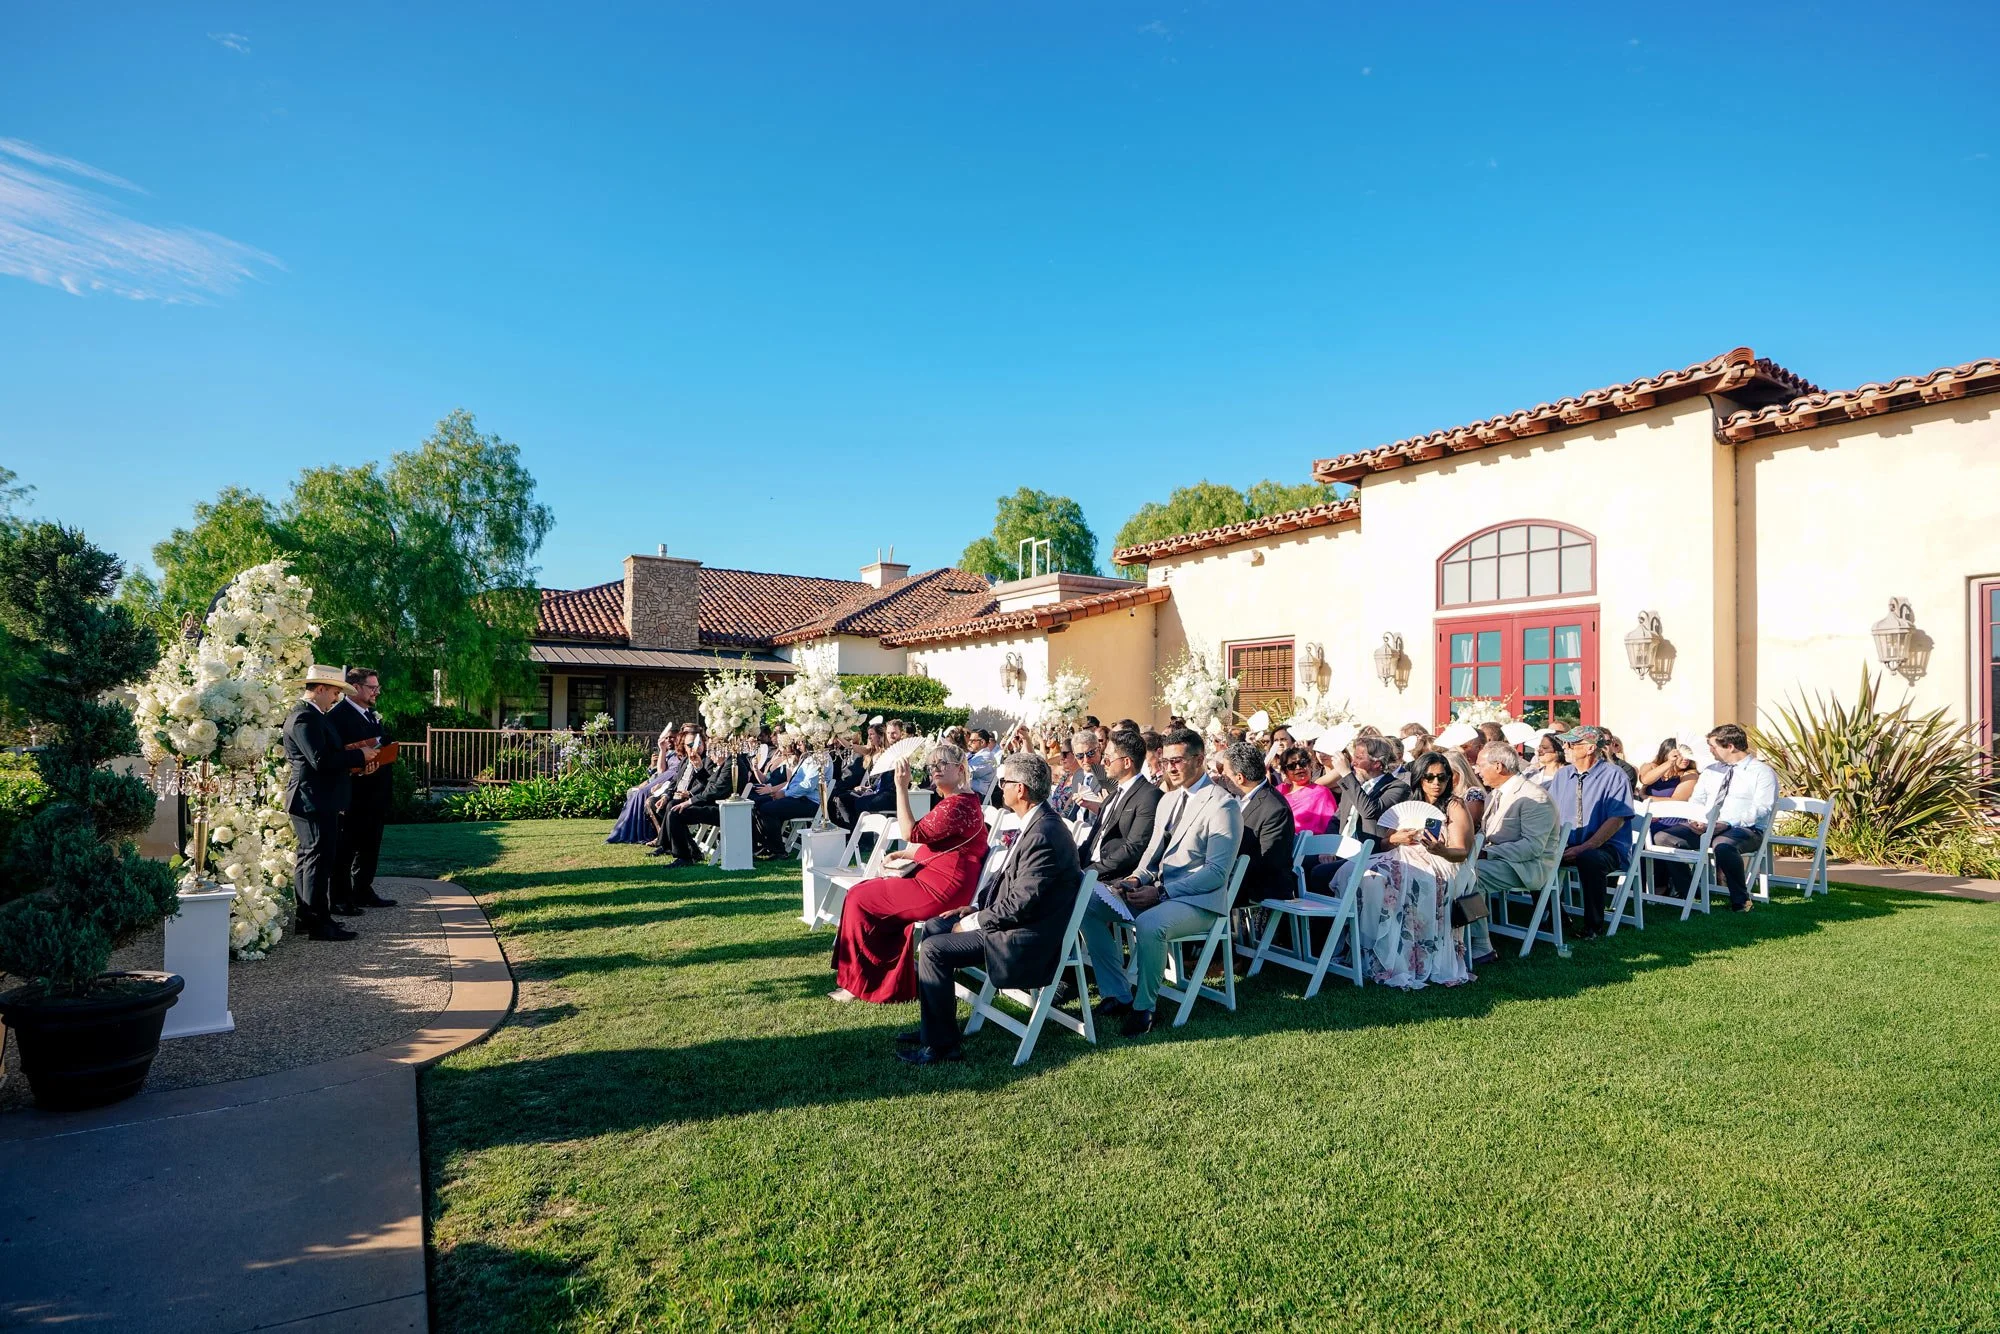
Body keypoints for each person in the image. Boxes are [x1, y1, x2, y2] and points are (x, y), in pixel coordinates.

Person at [898, 752, 1085, 1064]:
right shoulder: (1038, 823)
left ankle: (942, 1046)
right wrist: (972, 908)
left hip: (1027, 936)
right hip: (1015, 922)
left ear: (1021, 789)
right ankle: (935, 1028)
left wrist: (974, 922)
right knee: (934, 926)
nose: (1001, 788)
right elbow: (1008, 885)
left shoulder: (1045, 833)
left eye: (1005, 782)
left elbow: (1022, 903)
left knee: (933, 949)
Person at [1081, 728, 1243, 1037]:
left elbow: (1216, 874)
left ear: (1200, 760)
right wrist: (1133, 879)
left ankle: (1145, 1007)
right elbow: (1151, 857)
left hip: (1200, 901)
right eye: (1166, 760)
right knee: (1087, 905)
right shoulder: (1168, 801)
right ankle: (1117, 993)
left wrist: (1161, 892)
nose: (1170, 767)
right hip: (1160, 893)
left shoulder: (1222, 805)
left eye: (1178, 760)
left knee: (1150, 924)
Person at [828, 742, 990, 1003]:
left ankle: (860, 983)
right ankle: (869, 975)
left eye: (942, 764)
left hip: (940, 889)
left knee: (860, 898)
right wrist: (905, 854)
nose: (935, 770)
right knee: (860, 892)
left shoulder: (957, 806)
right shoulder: (959, 802)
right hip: (935, 879)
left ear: (960, 769)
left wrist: (901, 788)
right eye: (931, 765)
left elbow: (910, 833)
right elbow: (939, 846)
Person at [1354, 748, 1475, 988]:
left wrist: (1440, 850)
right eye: (1429, 777)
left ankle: (1405, 960)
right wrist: (1394, 840)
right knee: (1363, 874)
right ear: (1419, 777)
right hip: (1403, 856)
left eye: (1442, 777)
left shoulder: (1454, 805)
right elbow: (1385, 842)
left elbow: (1462, 852)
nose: (1436, 783)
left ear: (1450, 778)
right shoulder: (1408, 803)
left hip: (1443, 863)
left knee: (1396, 879)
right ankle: (1372, 950)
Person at [282, 664, 376, 942]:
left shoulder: (314, 716)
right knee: (317, 861)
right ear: (320, 689)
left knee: (312, 859)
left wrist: (354, 759)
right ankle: (318, 922)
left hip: (318, 797)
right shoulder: (304, 718)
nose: (336, 698)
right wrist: (359, 756)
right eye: (334, 692)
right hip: (313, 799)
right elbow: (320, 760)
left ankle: (310, 917)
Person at [1651, 724, 1779, 912]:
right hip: (1706, 825)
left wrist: (1727, 823)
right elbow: (1697, 799)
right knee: (1663, 838)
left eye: (1713, 746)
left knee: (1723, 845)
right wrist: (1695, 818)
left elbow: (1762, 807)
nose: (1709, 750)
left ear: (1730, 746)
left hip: (1745, 829)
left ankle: (1741, 901)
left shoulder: (1762, 772)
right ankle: (1690, 892)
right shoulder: (1711, 770)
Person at [1471, 742, 1562, 964]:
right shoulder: (1495, 794)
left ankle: (1481, 946)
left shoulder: (1534, 797)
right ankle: (1453, 937)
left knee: (1471, 876)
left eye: (1481, 764)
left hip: (1529, 866)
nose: (1476, 769)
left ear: (1499, 766)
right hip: (1504, 860)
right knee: (1453, 868)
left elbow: (1532, 847)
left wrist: (1487, 854)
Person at [1545, 726, 1634, 938]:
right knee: (1535, 856)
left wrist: (1584, 847)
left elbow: (1617, 819)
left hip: (1607, 847)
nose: (1564, 747)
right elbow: (1552, 813)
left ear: (1590, 748)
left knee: (1589, 859)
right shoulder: (1563, 774)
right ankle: (1555, 914)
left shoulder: (1614, 775)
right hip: (1568, 842)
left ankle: (1593, 927)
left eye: (1571, 744)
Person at [328, 665, 397, 913]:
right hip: (354, 794)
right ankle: (340, 897)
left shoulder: (370, 714)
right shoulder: (337, 716)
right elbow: (335, 755)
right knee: (346, 847)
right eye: (372, 687)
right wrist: (357, 764)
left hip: (376, 794)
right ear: (355, 688)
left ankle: (363, 890)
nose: (376, 692)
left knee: (370, 845)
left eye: (377, 687)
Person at [1303, 735, 1411, 892]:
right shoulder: (1354, 784)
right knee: (1301, 863)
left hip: (1369, 854)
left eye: (1359, 758)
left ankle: (1328, 916)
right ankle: (1297, 916)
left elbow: (1369, 811)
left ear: (1377, 764)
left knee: (1320, 873)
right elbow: (1337, 819)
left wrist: (1346, 774)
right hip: (1341, 849)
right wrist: (1327, 848)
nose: (1353, 762)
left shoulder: (1397, 787)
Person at [1218, 741, 1295, 909]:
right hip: (1235, 876)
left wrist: (1220, 871)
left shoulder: (1274, 808)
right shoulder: (1236, 797)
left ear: (1239, 778)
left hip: (1257, 885)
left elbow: (1269, 862)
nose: (1222, 779)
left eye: (1225, 775)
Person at [1078, 729, 1161, 883]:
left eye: (1108, 759)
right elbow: (1092, 840)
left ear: (1127, 762)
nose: (1103, 763)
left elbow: (1133, 848)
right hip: (1089, 871)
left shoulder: (1149, 795)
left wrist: (1087, 873)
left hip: (1113, 879)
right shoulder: (1112, 796)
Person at [658, 741, 754, 868]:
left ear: (720, 752)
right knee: (674, 806)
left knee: (676, 813)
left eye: (712, 753)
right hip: (715, 805)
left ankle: (684, 857)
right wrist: (699, 768)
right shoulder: (726, 763)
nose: (711, 758)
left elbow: (715, 791)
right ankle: (693, 851)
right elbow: (709, 784)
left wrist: (689, 801)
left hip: (722, 810)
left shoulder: (731, 765)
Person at [609, 726, 685, 844]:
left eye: (672, 738)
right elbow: (661, 770)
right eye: (667, 738)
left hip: (671, 779)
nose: (669, 740)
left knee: (642, 794)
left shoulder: (681, 752)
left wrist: (663, 784)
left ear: (678, 738)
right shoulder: (669, 753)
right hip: (664, 776)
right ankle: (631, 831)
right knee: (637, 793)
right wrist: (662, 750)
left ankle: (647, 833)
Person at [751, 742, 824, 856]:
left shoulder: (818, 759)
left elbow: (807, 786)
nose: (798, 747)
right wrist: (781, 792)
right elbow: (794, 783)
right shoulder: (807, 758)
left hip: (810, 802)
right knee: (757, 803)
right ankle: (764, 844)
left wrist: (785, 794)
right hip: (798, 797)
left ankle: (777, 850)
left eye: (800, 744)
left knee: (767, 808)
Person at [646, 733, 711, 856]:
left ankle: (666, 846)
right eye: (690, 745)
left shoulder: (707, 760)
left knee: (672, 807)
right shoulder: (685, 760)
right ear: (685, 747)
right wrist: (665, 796)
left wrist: (690, 793)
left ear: (703, 744)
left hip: (693, 798)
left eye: (698, 744)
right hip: (676, 796)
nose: (694, 747)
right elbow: (674, 782)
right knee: (655, 802)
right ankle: (684, 847)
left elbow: (707, 783)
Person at [1276, 745, 1337, 835]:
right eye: (1292, 766)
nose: (1298, 767)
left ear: (1310, 766)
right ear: (1285, 772)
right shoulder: (1279, 791)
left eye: (1302, 763)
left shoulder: (1321, 792)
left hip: (1309, 844)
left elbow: (1331, 827)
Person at [964, 728, 998, 799]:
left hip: (976, 794)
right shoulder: (972, 754)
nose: (969, 743)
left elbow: (969, 773)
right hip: (967, 790)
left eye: (972, 741)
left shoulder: (987, 756)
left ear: (982, 742)